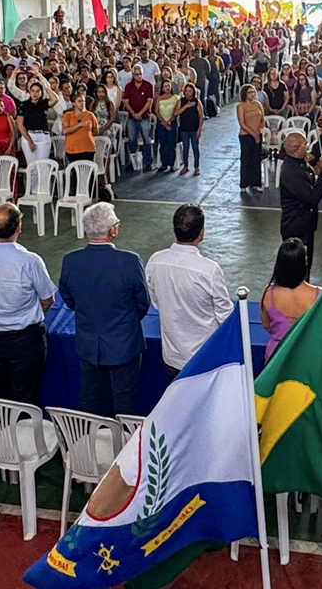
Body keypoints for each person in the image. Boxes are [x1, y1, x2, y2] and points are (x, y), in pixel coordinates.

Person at [58, 203, 149, 416]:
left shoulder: (70, 261)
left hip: (88, 345)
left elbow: (69, 299)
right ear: (112, 231)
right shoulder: (129, 261)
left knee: (89, 399)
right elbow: (142, 303)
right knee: (124, 404)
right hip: (124, 345)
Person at [0, 203, 56, 403]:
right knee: (24, 399)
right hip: (24, 340)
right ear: (18, 227)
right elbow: (48, 299)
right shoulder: (30, 261)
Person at [146, 204, 231, 379]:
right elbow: (225, 316)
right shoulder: (209, 270)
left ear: (173, 229)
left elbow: (155, 301)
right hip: (203, 357)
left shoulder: (156, 261)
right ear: (202, 232)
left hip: (172, 356)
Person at [260, 238, 320, 362]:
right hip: (307, 358)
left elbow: (266, 325)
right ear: (304, 264)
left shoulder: (268, 293)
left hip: (275, 359)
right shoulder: (319, 295)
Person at [278, 131, 322, 269]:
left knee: (306, 266)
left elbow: (314, 155)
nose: (307, 148)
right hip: (296, 228)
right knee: (298, 269)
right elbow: (312, 198)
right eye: (304, 145)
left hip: (305, 225)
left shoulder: (298, 161)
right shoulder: (291, 173)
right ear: (296, 149)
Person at [122, 64, 156, 171]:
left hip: (144, 116)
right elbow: (126, 101)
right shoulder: (129, 86)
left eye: (140, 74)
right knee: (132, 140)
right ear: (133, 74)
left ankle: (148, 162)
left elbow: (149, 101)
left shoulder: (148, 85)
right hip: (132, 117)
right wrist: (133, 113)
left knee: (146, 139)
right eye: (136, 74)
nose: (139, 76)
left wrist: (140, 113)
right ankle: (133, 162)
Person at [236, 83, 264, 192]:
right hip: (246, 135)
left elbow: (262, 120)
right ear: (244, 94)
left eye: (253, 92)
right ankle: (244, 183)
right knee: (246, 159)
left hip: (257, 134)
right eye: (249, 92)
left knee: (256, 159)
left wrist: (258, 132)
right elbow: (242, 123)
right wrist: (253, 134)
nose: (252, 94)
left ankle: (256, 182)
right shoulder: (241, 106)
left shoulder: (258, 104)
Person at [60, 89, 99, 164]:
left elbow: (96, 131)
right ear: (74, 103)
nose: (82, 103)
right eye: (79, 101)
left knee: (88, 172)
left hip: (88, 148)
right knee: (75, 173)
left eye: (83, 101)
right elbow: (65, 131)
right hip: (73, 149)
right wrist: (79, 125)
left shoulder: (90, 115)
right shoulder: (68, 115)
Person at [175, 83, 203, 176]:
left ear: (193, 92)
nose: (188, 93)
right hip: (184, 129)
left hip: (194, 129)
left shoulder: (197, 102)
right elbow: (176, 112)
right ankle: (185, 166)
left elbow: (201, 116)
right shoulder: (181, 101)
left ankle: (196, 167)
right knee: (185, 148)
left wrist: (199, 129)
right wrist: (186, 106)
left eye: (190, 91)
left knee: (195, 148)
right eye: (186, 91)